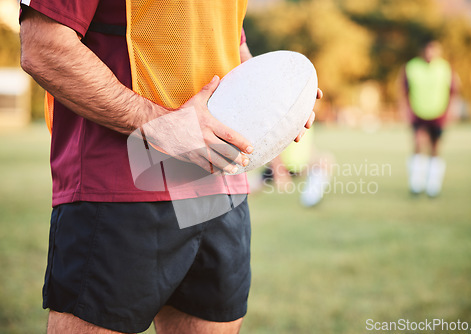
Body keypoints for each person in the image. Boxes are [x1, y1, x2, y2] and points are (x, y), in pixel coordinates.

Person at [19, 1, 320, 333]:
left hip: (219, 190)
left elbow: (229, 41)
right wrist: (162, 126)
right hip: (120, 186)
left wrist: (280, 102)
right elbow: (44, 46)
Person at [401, 40, 458, 197]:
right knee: (418, 144)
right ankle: (416, 184)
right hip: (418, 112)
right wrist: (405, 110)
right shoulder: (412, 67)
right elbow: (403, 91)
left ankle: (433, 186)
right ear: (422, 51)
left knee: (435, 148)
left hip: (438, 114)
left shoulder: (445, 68)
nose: (430, 53)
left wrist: (451, 111)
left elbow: (453, 91)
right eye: (428, 50)